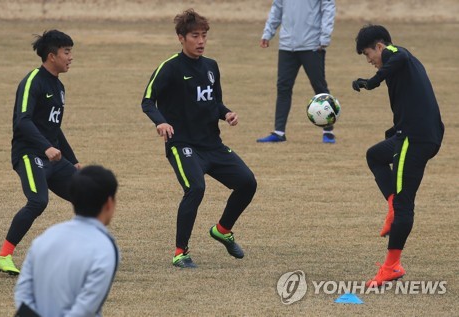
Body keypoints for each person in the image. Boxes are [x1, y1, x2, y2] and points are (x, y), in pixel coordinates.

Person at [141, 9, 257, 268]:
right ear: (181, 37)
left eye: (204, 35)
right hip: (182, 144)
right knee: (195, 188)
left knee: (247, 183)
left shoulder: (211, 67)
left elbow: (214, 102)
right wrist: (160, 121)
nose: (201, 41)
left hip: (212, 145)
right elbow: (147, 101)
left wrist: (226, 113)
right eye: (195, 36)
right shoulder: (169, 68)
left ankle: (223, 230)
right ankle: (180, 252)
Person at [353, 24, 444, 286]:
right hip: (415, 134)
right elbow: (411, 103)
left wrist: (372, 82)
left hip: (415, 139)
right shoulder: (399, 69)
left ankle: (392, 266)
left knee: (405, 205)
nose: (369, 60)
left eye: (368, 53)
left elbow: (400, 54)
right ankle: (392, 205)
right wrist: (393, 130)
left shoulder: (396, 54)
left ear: (380, 47)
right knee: (376, 155)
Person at [0, 30, 81, 275]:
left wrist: (73, 161)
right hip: (29, 154)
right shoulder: (33, 80)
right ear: (51, 56)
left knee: (87, 196)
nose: (71, 57)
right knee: (38, 201)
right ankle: (3, 256)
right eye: (67, 52)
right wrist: (46, 147)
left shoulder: (59, 86)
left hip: (54, 157)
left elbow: (55, 129)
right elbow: (23, 120)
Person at [14, 165, 119, 317]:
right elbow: (86, 308)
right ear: (109, 203)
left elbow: (22, 292)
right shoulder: (106, 247)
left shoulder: (46, 237)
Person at [256, 0, 337, 144]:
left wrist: (325, 37)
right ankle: (279, 132)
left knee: (319, 87)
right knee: (283, 87)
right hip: (287, 46)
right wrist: (268, 33)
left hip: (313, 44)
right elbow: (277, 9)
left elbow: (328, 9)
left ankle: (328, 131)